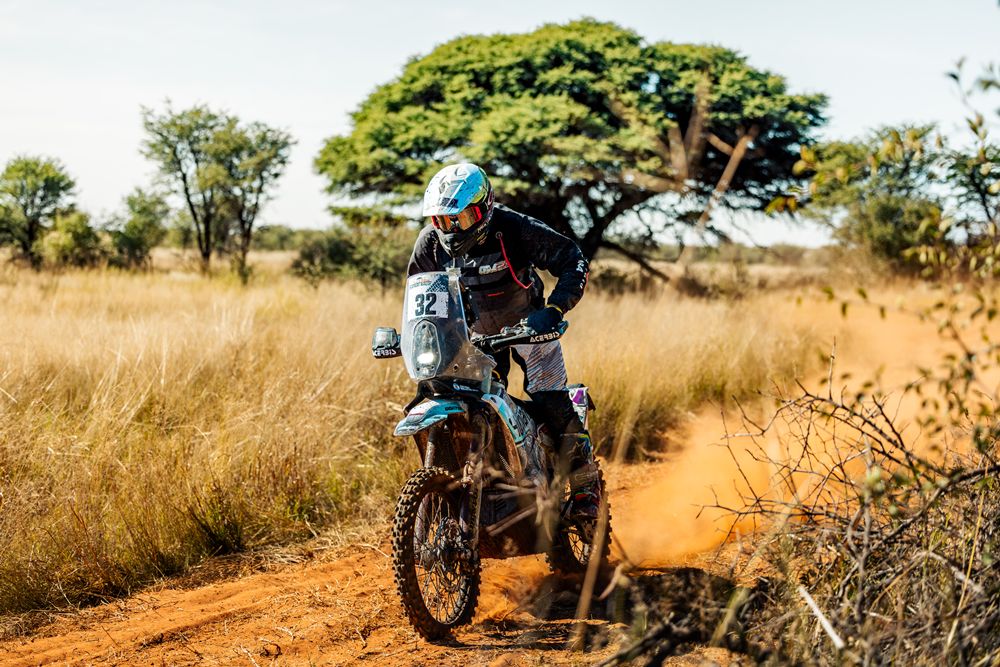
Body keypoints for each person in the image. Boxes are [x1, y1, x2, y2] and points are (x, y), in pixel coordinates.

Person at [407, 163, 600, 519]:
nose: (451, 229)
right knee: (461, 400)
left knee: (551, 400)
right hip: (473, 337)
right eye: (442, 220)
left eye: (461, 218)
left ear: (484, 208)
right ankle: (487, 490)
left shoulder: (514, 228)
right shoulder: (430, 243)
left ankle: (586, 489)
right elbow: (419, 298)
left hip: (530, 327)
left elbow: (572, 259)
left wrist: (554, 309)